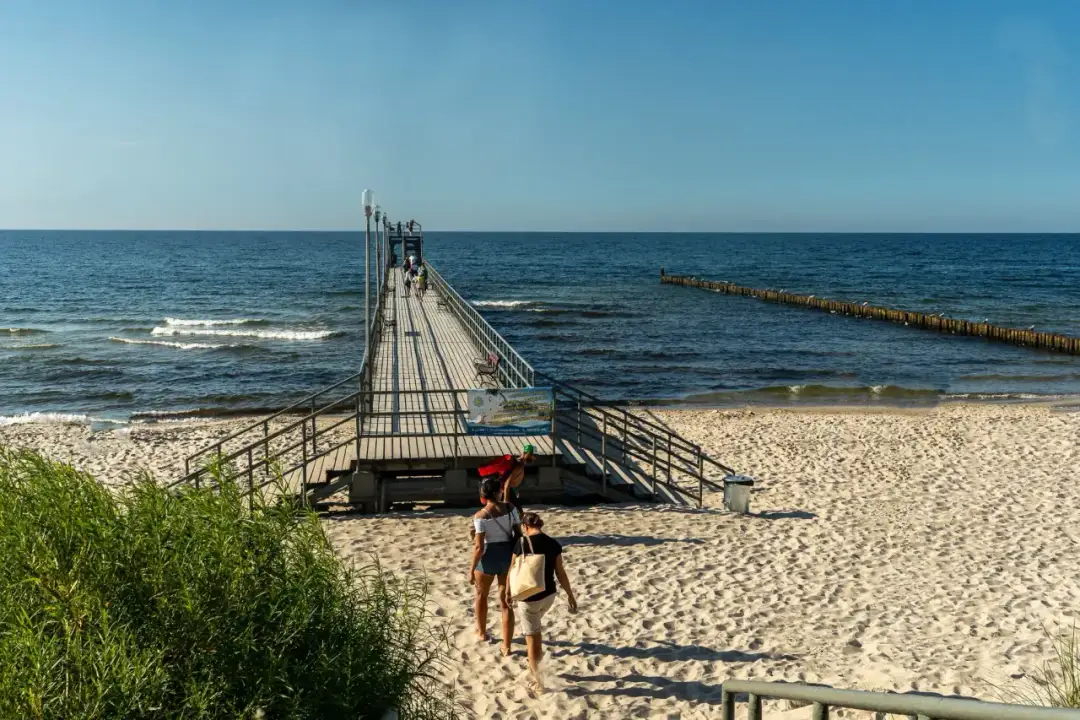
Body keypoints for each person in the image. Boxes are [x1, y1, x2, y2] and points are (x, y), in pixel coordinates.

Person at [512, 512, 577, 691]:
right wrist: (570, 595)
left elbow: (513, 569)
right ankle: (534, 665)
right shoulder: (553, 544)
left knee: (532, 639)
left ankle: (538, 681)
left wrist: (507, 594)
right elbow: (560, 572)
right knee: (536, 632)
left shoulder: (522, 543)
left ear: (525, 527)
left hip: (528, 595)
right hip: (548, 595)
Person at [468, 478, 520, 654]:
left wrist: (471, 569)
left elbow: (479, 547)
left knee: (481, 595)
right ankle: (506, 646)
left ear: (483, 494)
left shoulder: (480, 516)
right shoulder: (510, 508)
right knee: (506, 602)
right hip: (508, 557)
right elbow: (518, 533)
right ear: (499, 492)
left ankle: (482, 632)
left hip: (488, 558)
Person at [479, 444, 535, 514]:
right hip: (504, 490)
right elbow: (507, 484)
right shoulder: (518, 465)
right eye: (533, 455)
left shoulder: (519, 463)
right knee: (519, 513)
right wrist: (506, 502)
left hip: (506, 489)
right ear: (526, 454)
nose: (534, 458)